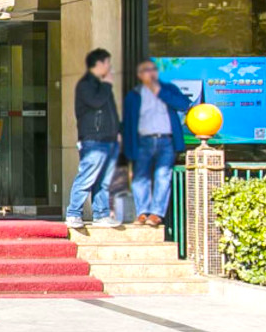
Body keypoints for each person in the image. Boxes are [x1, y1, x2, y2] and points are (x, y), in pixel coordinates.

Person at [123, 57, 190, 229]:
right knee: (140, 177)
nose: (151, 73)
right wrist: (128, 148)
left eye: (153, 69)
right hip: (143, 141)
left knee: (163, 176)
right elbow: (128, 123)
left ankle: (157, 213)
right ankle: (142, 212)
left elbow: (184, 104)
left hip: (166, 140)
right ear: (139, 75)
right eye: (146, 70)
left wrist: (159, 91)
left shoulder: (168, 89)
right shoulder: (134, 95)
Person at [67, 48, 122, 230]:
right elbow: (95, 102)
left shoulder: (102, 86)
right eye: (107, 63)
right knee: (87, 177)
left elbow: (111, 112)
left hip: (109, 139)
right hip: (93, 140)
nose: (110, 67)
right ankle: (73, 213)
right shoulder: (86, 85)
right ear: (98, 64)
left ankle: (101, 214)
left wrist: (118, 131)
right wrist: (107, 85)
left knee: (104, 181)